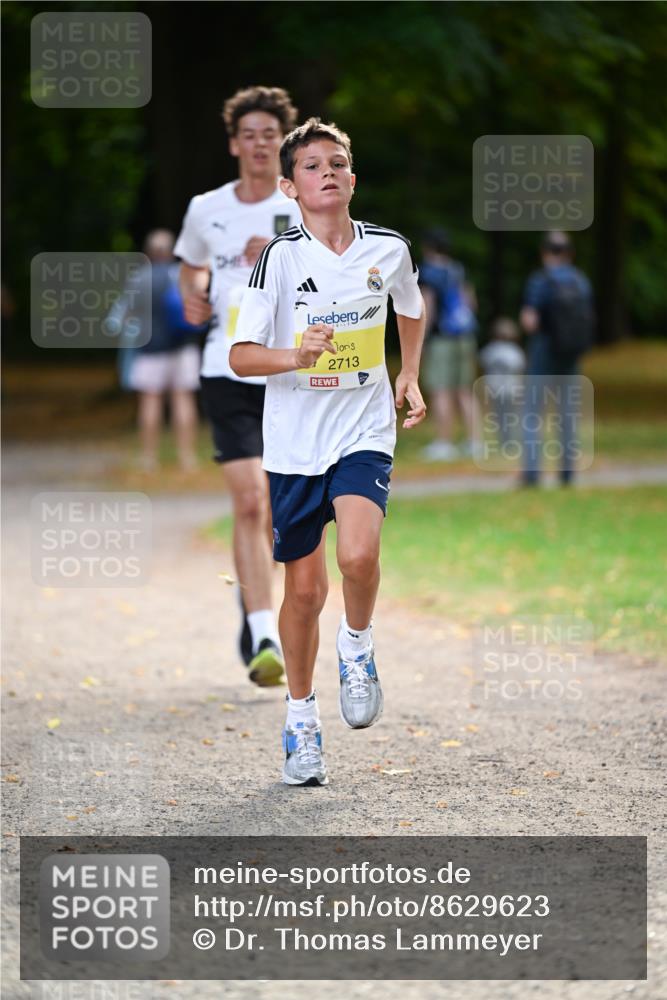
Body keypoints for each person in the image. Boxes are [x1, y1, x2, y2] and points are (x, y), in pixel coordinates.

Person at [229, 118, 426, 786]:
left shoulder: (388, 249)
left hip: (362, 429)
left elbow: (410, 307)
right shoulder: (278, 259)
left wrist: (407, 373)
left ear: (352, 177)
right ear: (289, 186)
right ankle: (301, 720)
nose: (328, 172)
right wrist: (295, 354)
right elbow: (241, 355)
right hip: (292, 444)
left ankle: (358, 646)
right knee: (306, 591)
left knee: (359, 555)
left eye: (337, 162)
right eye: (312, 166)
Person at [175, 86, 301, 686]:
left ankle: (254, 610)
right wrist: (190, 297)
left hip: (287, 370)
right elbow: (191, 265)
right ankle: (264, 633)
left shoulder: (303, 205)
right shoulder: (206, 208)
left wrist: (275, 254)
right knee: (249, 501)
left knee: (279, 511)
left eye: (269, 134)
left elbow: (333, 275)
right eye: (248, 134)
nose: (259, 143)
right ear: (234, 144)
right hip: (226, 367)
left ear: (283, 142)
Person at [109, 229, 202, 472]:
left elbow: (118, 319)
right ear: (172, 250)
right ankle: (187, 457)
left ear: (148, 252)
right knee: (183, 399)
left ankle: (149, 459)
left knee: (150, 401)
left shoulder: (138, 278)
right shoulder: (182, 275)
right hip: (184, 346)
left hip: (149, 348)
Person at [519, 232, 595, 487]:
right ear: (570, 253)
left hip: (544, 350)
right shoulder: (581, 280)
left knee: (533, 412)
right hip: (571, 353)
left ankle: (532, 473)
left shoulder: (541, 280)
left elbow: (530, 321)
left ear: (544, 253)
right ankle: (567, 473)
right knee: (567, 413)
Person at [418, 227, 480, 462]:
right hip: (465, 335)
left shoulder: (428, 272)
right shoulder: (458, 269)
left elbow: (428, 306)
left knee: (441, 389)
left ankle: (444, 443)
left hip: (441, 338)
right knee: (464, 389)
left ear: (428, 247)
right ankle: (474, 441)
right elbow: (470, 302)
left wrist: (421, 339)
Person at [478, 317, 525, 449]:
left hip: (496, 389)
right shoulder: (515, 351)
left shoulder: (490, 350)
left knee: (500, 415)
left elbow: (482, 362)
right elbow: (519, 368)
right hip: (511, 389)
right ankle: (510, 438)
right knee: (511, 415)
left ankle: (505, 438)